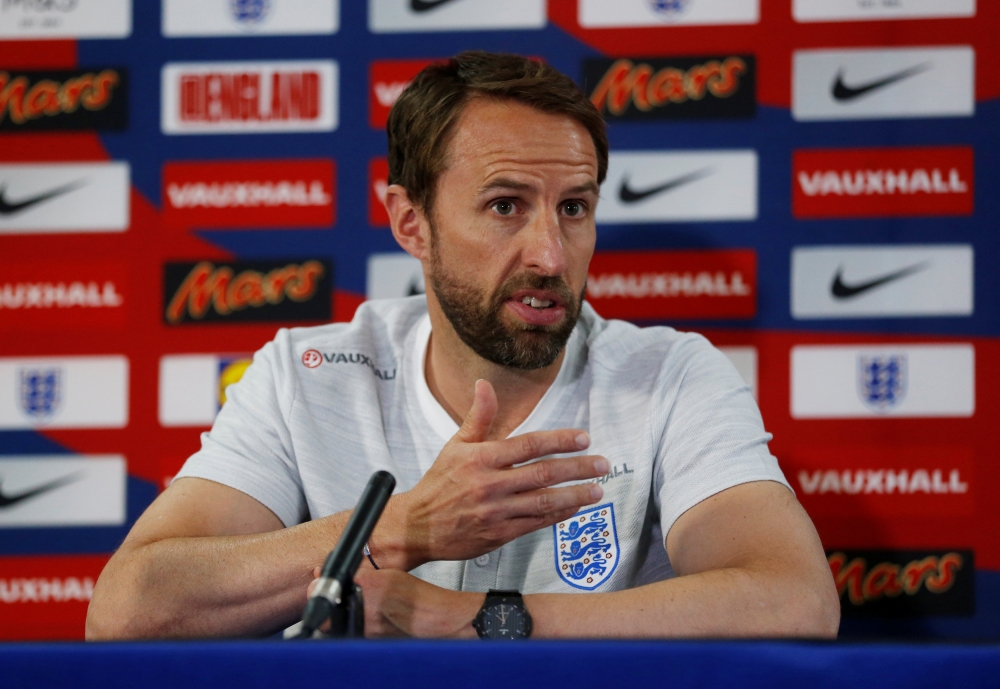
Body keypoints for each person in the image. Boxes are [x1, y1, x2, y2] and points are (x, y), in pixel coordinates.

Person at [86, 51, 838, 640]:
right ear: (410, 222)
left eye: (574, 208)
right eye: (505, 205)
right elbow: (128, 610)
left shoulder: (668, 375)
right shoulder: (304, 375)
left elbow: (793, 598)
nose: (550, 252)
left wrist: (475, 618)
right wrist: (399, 526)